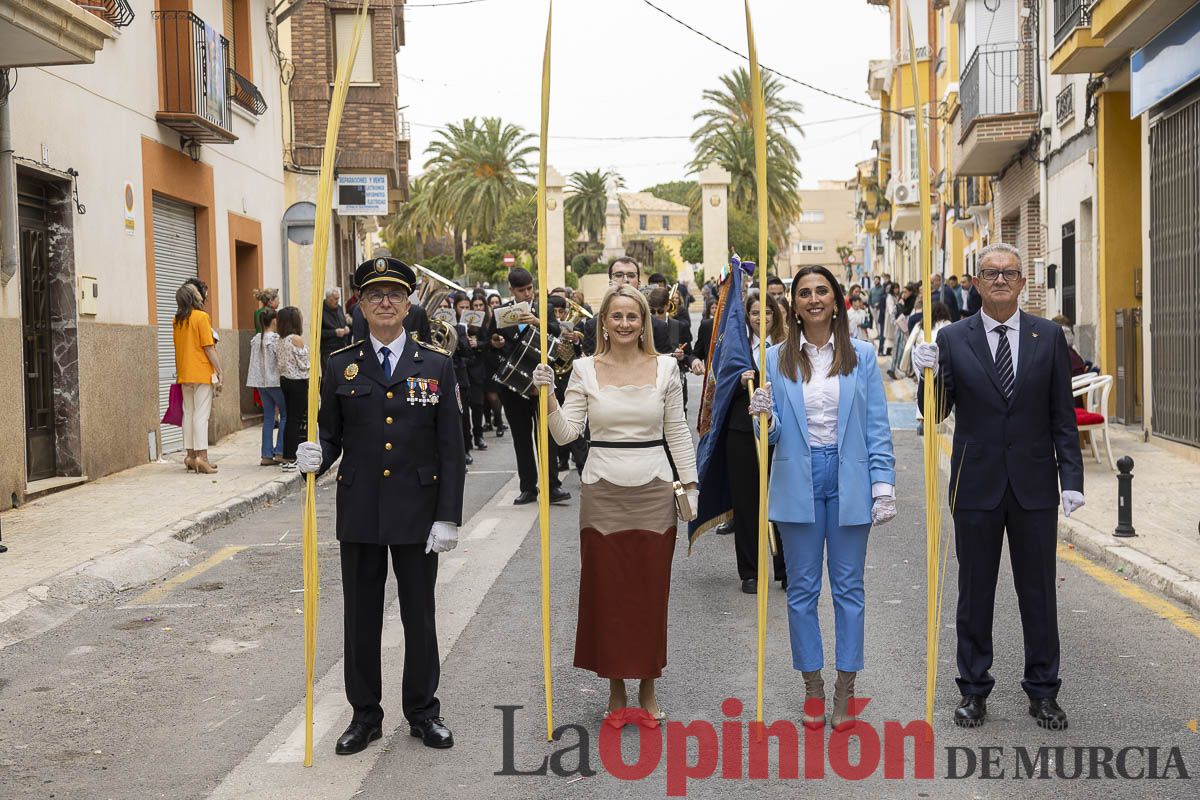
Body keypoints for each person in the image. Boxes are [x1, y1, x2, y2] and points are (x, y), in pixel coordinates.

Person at [294, 256, 465, 755]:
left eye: (393, 293)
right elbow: (330, 437)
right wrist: (313, 457)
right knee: (361, 618)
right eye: (374, 295)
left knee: (420, 615)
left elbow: (451, 448)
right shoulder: (339, 365)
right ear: (361, 305)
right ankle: (365, 715)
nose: (385, 302)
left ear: (407, 302)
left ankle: (423, 712)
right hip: (362, 509)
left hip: (418, 510)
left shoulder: (436, 364)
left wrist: (448, 516)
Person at [912, 242, 1084, 732]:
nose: (1001, 280)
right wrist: (924, 374)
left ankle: (1044, 691)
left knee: (1038, 593)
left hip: (1033, 485)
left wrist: (1070, 478)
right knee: (975, 592)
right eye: (991, 273)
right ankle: (973, 690)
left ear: (1023, 282)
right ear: (976, 282)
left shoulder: (1047, 336)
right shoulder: (952, 339)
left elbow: (1062, 418)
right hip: (975, 483)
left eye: (1010, 273)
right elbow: (935, 411)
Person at [530, 284, 698, 722]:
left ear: (644, 322)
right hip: (602, 490)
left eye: (633, 317)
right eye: (616, 316)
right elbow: (566, 434)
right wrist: (546, 392)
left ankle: (648, 686)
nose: (625, 324)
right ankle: (616, 689)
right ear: (603, 321)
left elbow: (678, 431)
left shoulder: (665, 370)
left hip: (655, 489)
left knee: (649, 593)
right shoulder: (584, 370)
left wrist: (691, 485)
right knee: (608, 594)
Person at [748, 264, 896, 731]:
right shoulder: (771, 359)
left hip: (848, 478)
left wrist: (883, 484)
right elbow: (765, 439)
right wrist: (759, 417)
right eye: (805, 292)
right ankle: (812, 685)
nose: (814, 299)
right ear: (793, 304)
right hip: (798, 478)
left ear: (836, 300)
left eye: (822, 291)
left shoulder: (863, 356)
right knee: (803, 592)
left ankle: (845, 689)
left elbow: (876, 427)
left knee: (850, 590)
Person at [490, 268, 571, 506]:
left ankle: (552, 485)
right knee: (521, 437)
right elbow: (491, 339)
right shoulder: (501, 312)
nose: (527, 294)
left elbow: (557, 332)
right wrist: (497, 342)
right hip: (514, 386)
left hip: (541, 382)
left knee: (546, 435)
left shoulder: (543, 308)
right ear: (512, 290)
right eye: (521, 290)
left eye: (529, 289)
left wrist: (538, 322)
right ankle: (527, 487)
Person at [726, 290, 788, 593]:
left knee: (782, 500)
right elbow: (719, 387)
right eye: (754, 313)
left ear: (775, 314)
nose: (760, 318)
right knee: (748, 502)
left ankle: (786, 568)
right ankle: (750, 571)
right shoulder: (736, 349)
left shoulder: (786, 347)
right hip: (741, 433)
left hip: (781, 432)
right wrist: (738, 381)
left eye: (766, 312)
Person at [172, 282, 223, 474]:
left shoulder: (177, 320)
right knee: (201, 415)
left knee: (189, 414)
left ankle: (191, 456)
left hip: (185, 373)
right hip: (201, 372)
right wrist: (220, 371)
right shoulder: (202, 317)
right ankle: (202, 457)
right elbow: (208, 347)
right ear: (193, 297)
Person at [247, 307, 285, 465]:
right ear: (274, 321)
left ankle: (266, 455)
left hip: (260, 383)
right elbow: (281, 361)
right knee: (285, 415)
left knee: (268, 418)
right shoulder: (275, 339)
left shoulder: (256, 339)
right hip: (275, 382)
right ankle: (280, 451)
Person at [275, 306, 310, 471]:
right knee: (296, 420)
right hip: (298, 381)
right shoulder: (296, 339)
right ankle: (291, 457)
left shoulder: (280, 340)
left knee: (289, 418)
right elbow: (304, 364)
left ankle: (287, 456)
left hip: (285, 380)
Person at [474, 295, 506, 437]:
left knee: (493, 396)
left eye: (481, 305)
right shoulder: (474, 321)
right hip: (480, 363)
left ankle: (499, 423)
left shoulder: (492, 320)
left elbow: (490, 341)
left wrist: (482, 344)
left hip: (494, 362)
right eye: (475, 305)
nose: (479, 308)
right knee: (485, 396)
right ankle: (488, 421)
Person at [321, 287, 351, 362]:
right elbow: (317, 333)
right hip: (328, 352)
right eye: (335, 299)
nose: (337, 301)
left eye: (338, 298)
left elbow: (343, 323)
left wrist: (346, 328)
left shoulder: (339, 308)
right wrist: (334, 333)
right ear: (328, 299)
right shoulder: (320, 312)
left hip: (342, 349)